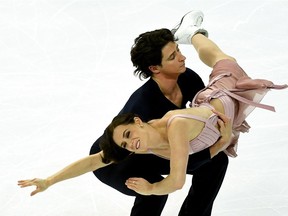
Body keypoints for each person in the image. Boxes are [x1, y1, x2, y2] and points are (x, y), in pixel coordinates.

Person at [18, 11, 231, 216]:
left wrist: (222, 136)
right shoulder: (141, 108)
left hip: (152, 147)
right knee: (151, 186)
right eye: (173, 55)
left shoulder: (189, 78)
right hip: (118, 160)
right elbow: (96, 160)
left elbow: (201, 119)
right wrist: (49, 181)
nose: (183, 57)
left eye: (178, 50)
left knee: (216, 162)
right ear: (155, 68)